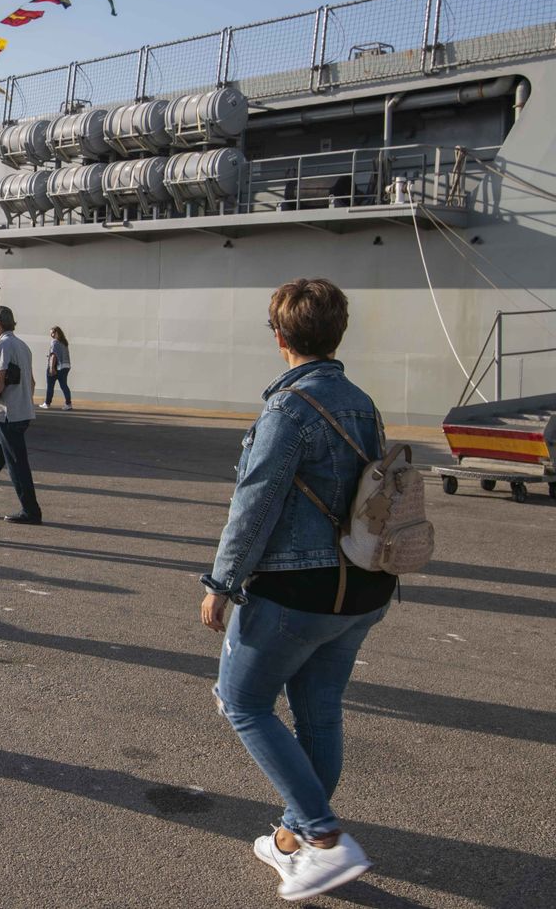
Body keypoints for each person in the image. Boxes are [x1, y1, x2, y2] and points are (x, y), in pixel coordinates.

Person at [201, 279, 392, 902]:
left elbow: (255, 503)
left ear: (280, 336)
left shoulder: (288, 408)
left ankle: (324, 836)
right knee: (318, 715)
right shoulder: (362, 402)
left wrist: (222, 583)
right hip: (361, 589)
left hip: (296, 591)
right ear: (336, 333)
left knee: (243, 702)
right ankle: (291, 840)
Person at [0, 306, 43, 525]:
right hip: (21, 411)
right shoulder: (22, 345)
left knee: (17, 464)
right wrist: (24, 402)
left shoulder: (2, 344)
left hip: (9, 414)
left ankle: (31, 511)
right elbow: (32, 382)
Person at [43, 325, 72, 410]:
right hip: (66, 366)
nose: (51, 335)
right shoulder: (64, 342)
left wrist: (52, 368)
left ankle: (47, 403)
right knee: (64, 386)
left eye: (52, 333)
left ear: (57, 333)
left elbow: (53, 356)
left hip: (57, 367)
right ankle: (68, 404)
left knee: (50, 386)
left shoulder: (54, 342)